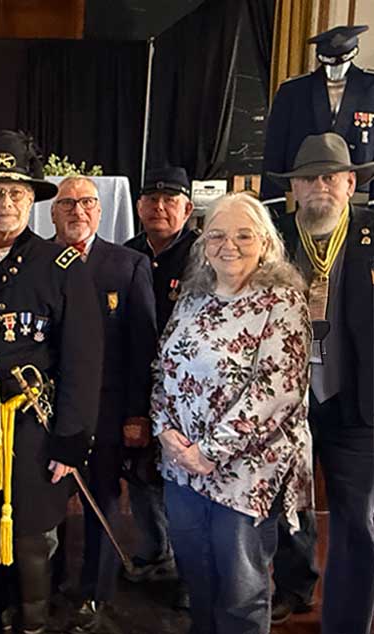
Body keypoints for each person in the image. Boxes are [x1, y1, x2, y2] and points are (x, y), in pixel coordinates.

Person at [0, 130, 103, 634]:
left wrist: (71, 441)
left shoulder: (60, 266)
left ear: (32, 199)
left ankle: (34, 624)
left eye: (16, 192)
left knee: (33, 539)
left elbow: (83, 360)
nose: (6, 202)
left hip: (32, 430)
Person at [151, 192, 313, 634]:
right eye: (218, 234)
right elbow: (163, 367)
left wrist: (209, 451)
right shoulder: (191, 298)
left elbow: (277, 391)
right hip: (181, 469)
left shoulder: (282, 302)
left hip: (244, 475)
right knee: (199, 584)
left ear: (265, 241)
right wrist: (164, 429)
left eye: (244, 235)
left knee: (242, 595)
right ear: (204, 242)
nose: (230, 245)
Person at [266, 132, 374, 634]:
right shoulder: (275, 237)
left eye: (330, 177)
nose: (319, 188)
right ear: (295, 189)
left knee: (357, 522)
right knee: (291, 507)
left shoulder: (371, 234)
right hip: (287, 401)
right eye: (308, 179)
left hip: (358, 403)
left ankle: (348, 623)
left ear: (350, 183)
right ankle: (293, 586)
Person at [50, 176, 156, 633]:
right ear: (52, 212)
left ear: (100, 210)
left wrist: (137, 414)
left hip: (109, 411)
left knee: (103, 503)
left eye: (87, 202)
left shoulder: (128, 264)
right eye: (67, 203)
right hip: (48, 411)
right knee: (49, 505)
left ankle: (96, 594)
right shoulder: (38, 261)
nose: (77, 211)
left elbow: (142, 346)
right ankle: (49, 586)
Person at [122, 167, 199, 602]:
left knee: (181, 480)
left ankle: (189, 572)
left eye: (171, 199)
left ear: (187, 208)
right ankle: (154, 553)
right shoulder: (128, 252)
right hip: (137, 379)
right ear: (138, 207)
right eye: (151, 198)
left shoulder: (201, 254)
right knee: (140, 472)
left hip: (185, 388)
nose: (160, 206)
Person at [261, 25, 374, 202]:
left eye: (341, 62)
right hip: (308, 187)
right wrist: (273, 201)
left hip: (359, 189)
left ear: (353, 54)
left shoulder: (371, 88)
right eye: (329, 62)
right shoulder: (293, 91)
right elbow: (275, 148)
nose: (335, 70)